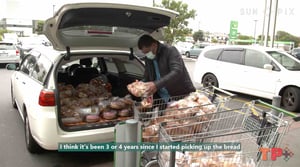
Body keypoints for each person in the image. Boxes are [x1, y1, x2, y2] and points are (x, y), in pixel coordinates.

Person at [138, 34, 196, 102]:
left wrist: (156, 85)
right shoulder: (148, 58)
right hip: (163, 97)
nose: (147, 55)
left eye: (147, 52)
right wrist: (140, 84)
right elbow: (147, 75)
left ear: (154, 45)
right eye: (144, 53)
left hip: (180, 95)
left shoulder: (170, 50)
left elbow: (177, 71)